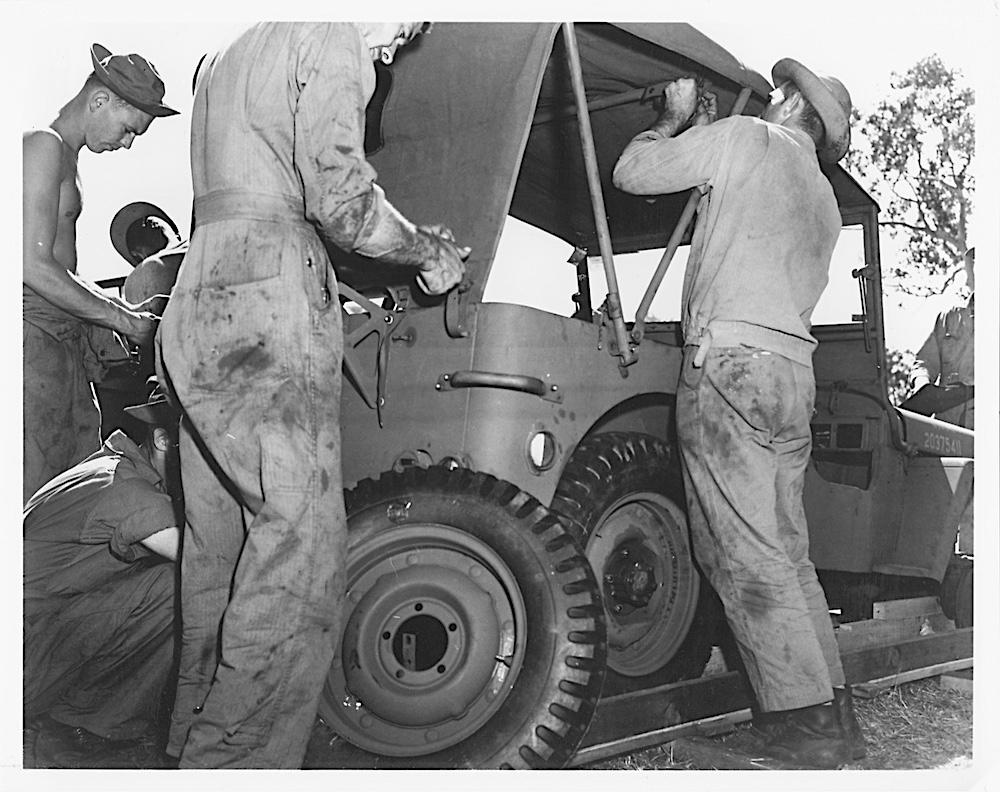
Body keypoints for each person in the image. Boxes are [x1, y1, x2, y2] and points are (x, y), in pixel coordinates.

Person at [156, 22, 468, 768]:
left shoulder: (223, 50)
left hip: (198, 292)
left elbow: (261, 185)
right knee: (301, 548)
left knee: (218, 552)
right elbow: (342, 202)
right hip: (266, 304)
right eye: (406, 26)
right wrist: (428, 254)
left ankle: (187, 745)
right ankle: (232, 766)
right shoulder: (330, 32)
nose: (395, 48)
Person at [613, 60, 862, 769]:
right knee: (787, 553)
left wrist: (672, 118)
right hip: (792, 375)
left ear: (787, 104)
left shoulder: (750, 137)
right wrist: (705, 129)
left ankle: (802, 724)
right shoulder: (821, 194)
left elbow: (634, 172)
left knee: (743, 555)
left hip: (732, 368)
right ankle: (833, 713)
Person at [23, 43, 178, 502]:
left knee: (68, 480)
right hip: (29, 341)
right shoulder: (42, 147)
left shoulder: (67, 160)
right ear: (99, 100)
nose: (126, 143)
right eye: (129, 130)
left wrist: (124, 306)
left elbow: (61, 269)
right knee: (36, 488)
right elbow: (30, 265)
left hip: (55, 344)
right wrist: (124, 321)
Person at [24, 381, 182, 768]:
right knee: (181, 588)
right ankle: (77, 723)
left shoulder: (113, 465)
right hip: (21, 659)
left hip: (32, 630)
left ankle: (78, 715)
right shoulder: (134, 494)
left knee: (161, 583)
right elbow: (212, 564)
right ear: (163, 440)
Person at [905, 248, 975, 429]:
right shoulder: (948, 318)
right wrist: (923, 387)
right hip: (944, 430)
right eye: (973, 261)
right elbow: (924, 362)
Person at [109, 200, 182, 267]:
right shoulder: (149, 269)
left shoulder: (192, 245)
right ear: (136, 253)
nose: (146, 221)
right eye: (137, 230)